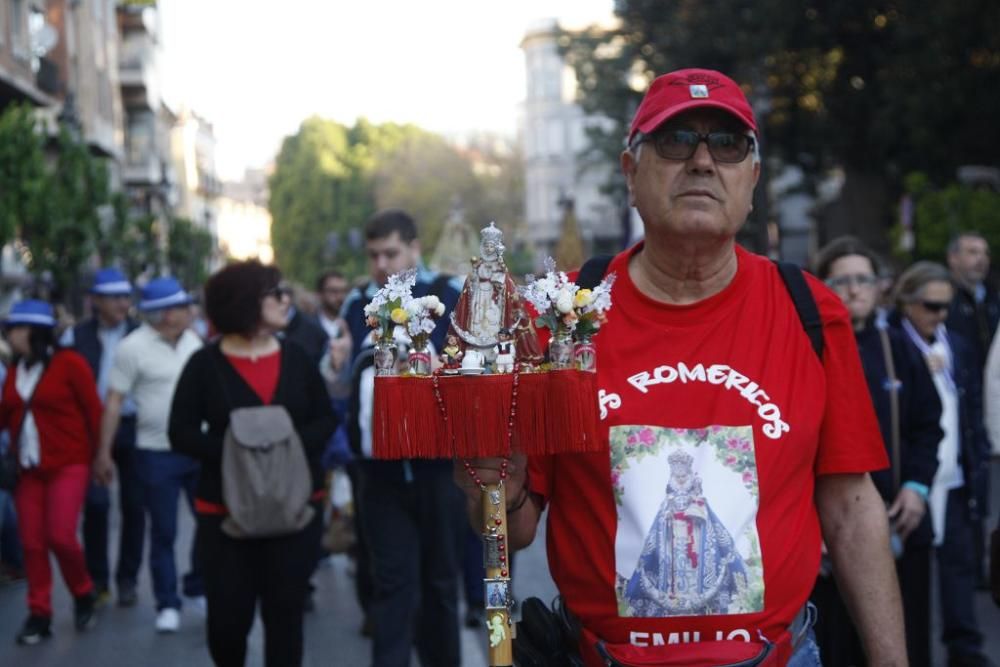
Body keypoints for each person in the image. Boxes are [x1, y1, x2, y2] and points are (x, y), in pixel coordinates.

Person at [456, 68, 907, 665]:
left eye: (727, 143)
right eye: (674, 140)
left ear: (752, 178)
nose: (701, 161)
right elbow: (513, 529)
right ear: (630, 174)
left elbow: (852, 505)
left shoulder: (811, 312)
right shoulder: (559, 318)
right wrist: (491, 488)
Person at [168, 260, 336, 667]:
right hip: (224, 516)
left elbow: (325, 417)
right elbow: (181, 431)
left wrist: (289, 448)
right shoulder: (204, 365)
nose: (286, 300)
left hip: (295, 510)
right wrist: (234, 454)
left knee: (286, 618)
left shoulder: (296, 357)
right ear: (246, 303)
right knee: (228, 623)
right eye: (275, 293)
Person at [338, 209, 463, 666]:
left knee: (440, 585)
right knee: (391, 585)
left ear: (414, 248)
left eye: (390, 252)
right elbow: (343, 387)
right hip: (379, 472)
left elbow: (468, 370)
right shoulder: (357, 306)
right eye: (373, 254)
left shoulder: (447, 295)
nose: (381, 264)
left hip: (438, 467)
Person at [812, 237, 944, 666]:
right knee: (838, 647)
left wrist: (917, 487)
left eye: (863, 279)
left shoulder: (899, 347)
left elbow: (928, 426)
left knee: (906, 640)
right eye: (842, 280)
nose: (854, 289)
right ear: (823, 286)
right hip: (831, 534)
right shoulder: (809, 346)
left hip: (900, 521)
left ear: (879, 286)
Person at [893, 261, 992, 666]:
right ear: (908, 302)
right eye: (932, 306)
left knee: (959, 566)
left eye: (946, 306)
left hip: (954, 472)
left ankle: (964, 650)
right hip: (913, 478)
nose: (941, 315)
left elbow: (973, 409)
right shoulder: (893, 344)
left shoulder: (958, 345)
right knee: (908, 576)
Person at [92, 277, 204, 633]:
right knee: (164, 532)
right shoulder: (131, 347)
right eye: (185, 306)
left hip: (198, 451)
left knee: (211, 524)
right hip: (155, 453)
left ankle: (197, 584)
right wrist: (104, 453)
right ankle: (167, 602)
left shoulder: (194, 341)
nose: (191, 312)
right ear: (167, 313)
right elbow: (114, 402)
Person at [0, 300, 102, 644]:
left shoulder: (70, 364)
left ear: (32, 332)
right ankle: (39, 613)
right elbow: (5, 415)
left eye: (13, 329)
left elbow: (94, 411)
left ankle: (83, 590)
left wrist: (102, 457)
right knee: (31, 543)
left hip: (69, 463)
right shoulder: (15, 370)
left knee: (60, 535)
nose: (8, 336)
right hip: (28, 469)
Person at [61, 268, 144, 608]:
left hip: (134, 427)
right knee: (96, 504)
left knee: (135, 505)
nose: (123, 303)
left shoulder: (141, 335)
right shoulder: (75, 337)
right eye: (115, 297)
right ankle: (98, 579)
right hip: (91, 429)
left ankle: (127, 579)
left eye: (126, 296)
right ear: (96, 301)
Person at [946, 232, 999, 372]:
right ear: (953, 258)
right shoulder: (943, 298)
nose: (981, 259)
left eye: (985, 253)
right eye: (972, 252)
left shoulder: (993, 297)